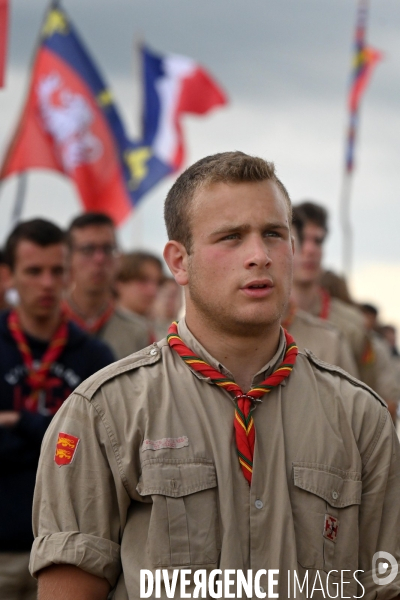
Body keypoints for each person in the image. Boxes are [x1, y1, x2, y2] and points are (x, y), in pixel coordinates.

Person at [31, 153, 400, 599]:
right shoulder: (105, 413)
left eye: (273, 234)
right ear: (179, 261)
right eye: (231, 237)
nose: (259, 256)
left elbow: (383, 583)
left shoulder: (360, 418)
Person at [0, 219, 115, 600]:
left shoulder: (94, 356)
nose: (47, 284)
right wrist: (52, 437)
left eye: (57, 271)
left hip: (66, 556)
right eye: (34, 271)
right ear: (8, 276)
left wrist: (19, 421)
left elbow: (95, 453)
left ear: (70, 275)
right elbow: (66, 444)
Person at [64, 213, 150, 359]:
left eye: (108, 249)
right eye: (88, 249)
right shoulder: (45, 323)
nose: (99, 259)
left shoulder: (139, 333)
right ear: (68, 258)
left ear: (119, 259)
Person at [115, 251, 164, 340]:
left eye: (157, 282)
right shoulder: (108, 332)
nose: (152, 291)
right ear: (120, 283)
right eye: (143, 280)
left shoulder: (158, 330)